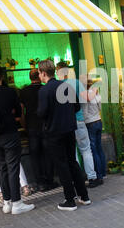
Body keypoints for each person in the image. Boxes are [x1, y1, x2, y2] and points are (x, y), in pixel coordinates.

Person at [0, 64, 34, 215]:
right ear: (2, 77)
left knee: (1, 168)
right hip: (9, 134)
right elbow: (18, 111)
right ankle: (17, 203)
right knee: (13, 167)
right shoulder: (10, 92)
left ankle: (7, 203)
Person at [37, 59, 91, 211]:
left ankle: (70, 200)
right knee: (72, 162)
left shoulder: (44, 91)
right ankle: (84, 196)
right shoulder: (66, 86)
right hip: (69, 129)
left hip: (54, 132)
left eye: (39, 73)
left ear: (43, 73)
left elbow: (41, 113)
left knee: (62, 166)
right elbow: (76, 106)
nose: (39, 76)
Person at [55, 61, 101, 188]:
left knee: (72, 153)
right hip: (79, 120)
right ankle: (92, 177)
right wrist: (94, 89)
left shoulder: (56, 86)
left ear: (57, 72)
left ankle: (77, 179)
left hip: (65, 124)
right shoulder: (75, 83)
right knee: (86, 150)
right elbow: (85, 98)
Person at [20, 69, 58, 192]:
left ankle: (39, 182)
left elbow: (21, 112)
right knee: (48, 153)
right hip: (45, 125)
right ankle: (49, 180)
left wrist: (24, 125)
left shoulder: (24, 91)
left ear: (30, 78)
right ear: (40, 75)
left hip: (31, 127)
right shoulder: (45, 89)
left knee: (35, 156)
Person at [83, 79, 106, 184]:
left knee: (93, 150)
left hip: (90, 123)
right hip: (98, 121)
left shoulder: (85, 96)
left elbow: (84, 112)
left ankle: (98, 175)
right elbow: (100, 108)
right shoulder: (97, 95)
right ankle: (103, 171)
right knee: (99, 147)